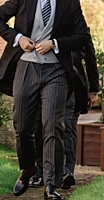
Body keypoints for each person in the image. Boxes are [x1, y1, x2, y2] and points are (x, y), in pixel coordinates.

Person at [0, 0, 91, 200]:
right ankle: (27, 169)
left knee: (53, 125)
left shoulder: (70, 3)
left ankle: (51, 183)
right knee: (22, 126)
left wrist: (55, 43)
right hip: (26, 68)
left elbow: (82, 37)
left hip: (56, 71)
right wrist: (18, 38)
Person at [30, 37, 99, 190]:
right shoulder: (41, 22)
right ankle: (41, 172)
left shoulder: (78, 28)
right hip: (40, 81)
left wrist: (94, 89)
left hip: (71, 83)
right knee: (41, 127)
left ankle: (67, 172)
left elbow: (89, 57)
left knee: (67, 126)